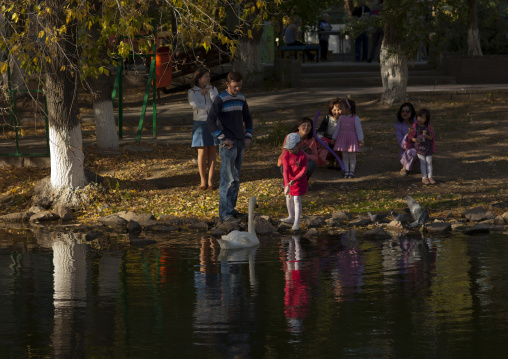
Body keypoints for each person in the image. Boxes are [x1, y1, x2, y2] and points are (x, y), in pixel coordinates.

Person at [206, 71, 253, 221]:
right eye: (234, 86)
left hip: (240, 141)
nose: (237, 89)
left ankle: (231, 209)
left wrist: (248, 135)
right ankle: (224, 213)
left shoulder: (241, 98)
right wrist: (222, 138)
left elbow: (248, 117)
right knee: (227, 179)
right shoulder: (221, 99)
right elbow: (210, 121)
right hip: (228, 144)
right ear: (227, 84)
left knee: (236, 178)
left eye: (239, 86)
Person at [188, 67, 219, 190]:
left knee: (212, 151)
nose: (209, 78)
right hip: (200, 123)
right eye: (206, 76)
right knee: (202, 152)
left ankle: (210, 180)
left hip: (213, 122)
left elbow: (216, 103)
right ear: (199, 78)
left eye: (209, 76)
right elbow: (195, 105)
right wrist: (209, 108)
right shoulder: (192, 91)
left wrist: (209, 91)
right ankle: (203, 180)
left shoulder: (213, 89)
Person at [280, 133, 308, 231]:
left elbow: (304, 170)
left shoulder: (303, 156)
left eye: (292, 147)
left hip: (299, 181)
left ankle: (297, 221)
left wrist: (295, 179)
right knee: (288, 198)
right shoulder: (286, 155)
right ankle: (291, 217)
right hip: (289, 181)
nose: (289, 149)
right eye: (288, 147)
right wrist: (287, 183)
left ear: (298, 144)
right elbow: (285, 170)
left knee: (296, 199)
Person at [332, 98, 364, 178]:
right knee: (345, 156)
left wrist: (360, 139)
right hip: (343, 139)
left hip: (352, 140)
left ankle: (351, 171)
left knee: (352, 156)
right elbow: (338, 129)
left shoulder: (355, 118)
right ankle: (346, 171)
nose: (340, 110)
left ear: (348, 109)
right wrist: (334, 138)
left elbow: (359, 130)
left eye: (341, 108)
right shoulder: (341, 118)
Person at [407, 108, 436, 185]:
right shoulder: (415, 126)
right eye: (419, 117)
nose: (420, 119)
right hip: (419, 148)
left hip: (428, 148)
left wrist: (426, 136)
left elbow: (431, 138)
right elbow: (411, 137)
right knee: (422, 162)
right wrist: (415, 139)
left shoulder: (428, 127)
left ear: (426, 119)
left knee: (429, 161)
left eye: (423, 118)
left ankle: (430, 176)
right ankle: (424, 177)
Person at [316, 97, 341, 169]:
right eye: (334, 110)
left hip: (340, 140)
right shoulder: (327, 118)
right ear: (331, 110)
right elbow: (320, 131)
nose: (337, 112)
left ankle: (339, 161)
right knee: (324, 149)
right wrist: (322, 141)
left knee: (341, 148)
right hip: (328, 140)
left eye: (339, 109)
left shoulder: (344, 119)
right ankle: (331, 161)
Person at [395, 102, 419, 175]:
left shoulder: (418, 122)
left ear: (412, 112)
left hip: (420, 149)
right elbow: (401, 144)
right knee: (412, 152)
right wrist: (408, 135)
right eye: (402, 111)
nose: (405, 113)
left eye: (407, 111)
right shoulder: (398, 125)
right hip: (406, 152)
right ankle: (404, 167)